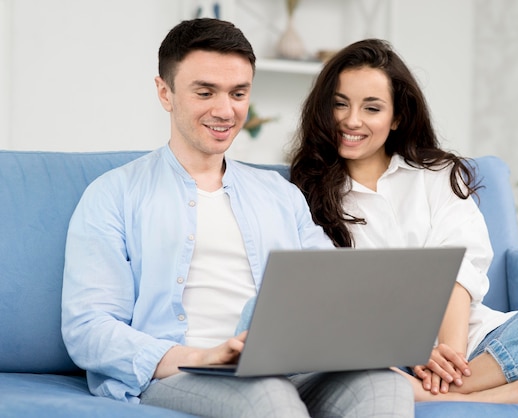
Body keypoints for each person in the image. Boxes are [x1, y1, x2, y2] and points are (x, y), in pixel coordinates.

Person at [61, 20, 415, 417]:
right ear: (165, 92)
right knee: (266, 396)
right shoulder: (113, 195)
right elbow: (88, 329)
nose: (224, 110)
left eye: (238, 93)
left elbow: (334, 290)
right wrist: (202, 355)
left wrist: (371, 340)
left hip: (289, 368)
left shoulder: (280, 194)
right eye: (205, 92)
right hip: (181, 372)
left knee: (383, 384)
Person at [288, 38, 518, 404]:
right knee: (339, 365)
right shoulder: (301, 193)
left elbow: (460, 266)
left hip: (477, 348)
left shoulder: (436, 175)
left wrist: (451, 357)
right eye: (340, 104)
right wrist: (410, 351)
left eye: (372, 108)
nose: (351, 120)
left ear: (398, 117)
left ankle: (459, 390)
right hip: (378, 357)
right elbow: (328, 302)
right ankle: (483, 392)